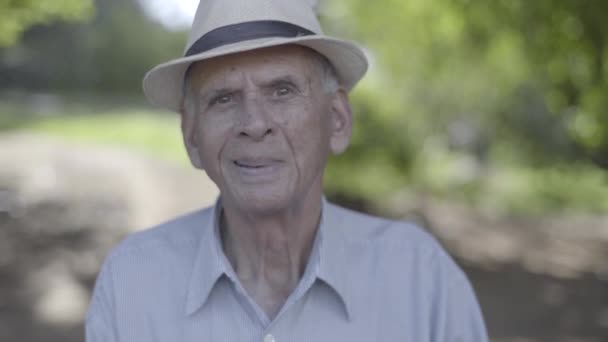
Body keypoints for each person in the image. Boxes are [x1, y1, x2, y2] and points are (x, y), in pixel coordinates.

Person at [86, 0, 488, 341]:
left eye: (281, 90)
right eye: (223, 98)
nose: (254, 123)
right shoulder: (131, 284)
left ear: (336, 120)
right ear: (192, 137)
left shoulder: (423, 279)